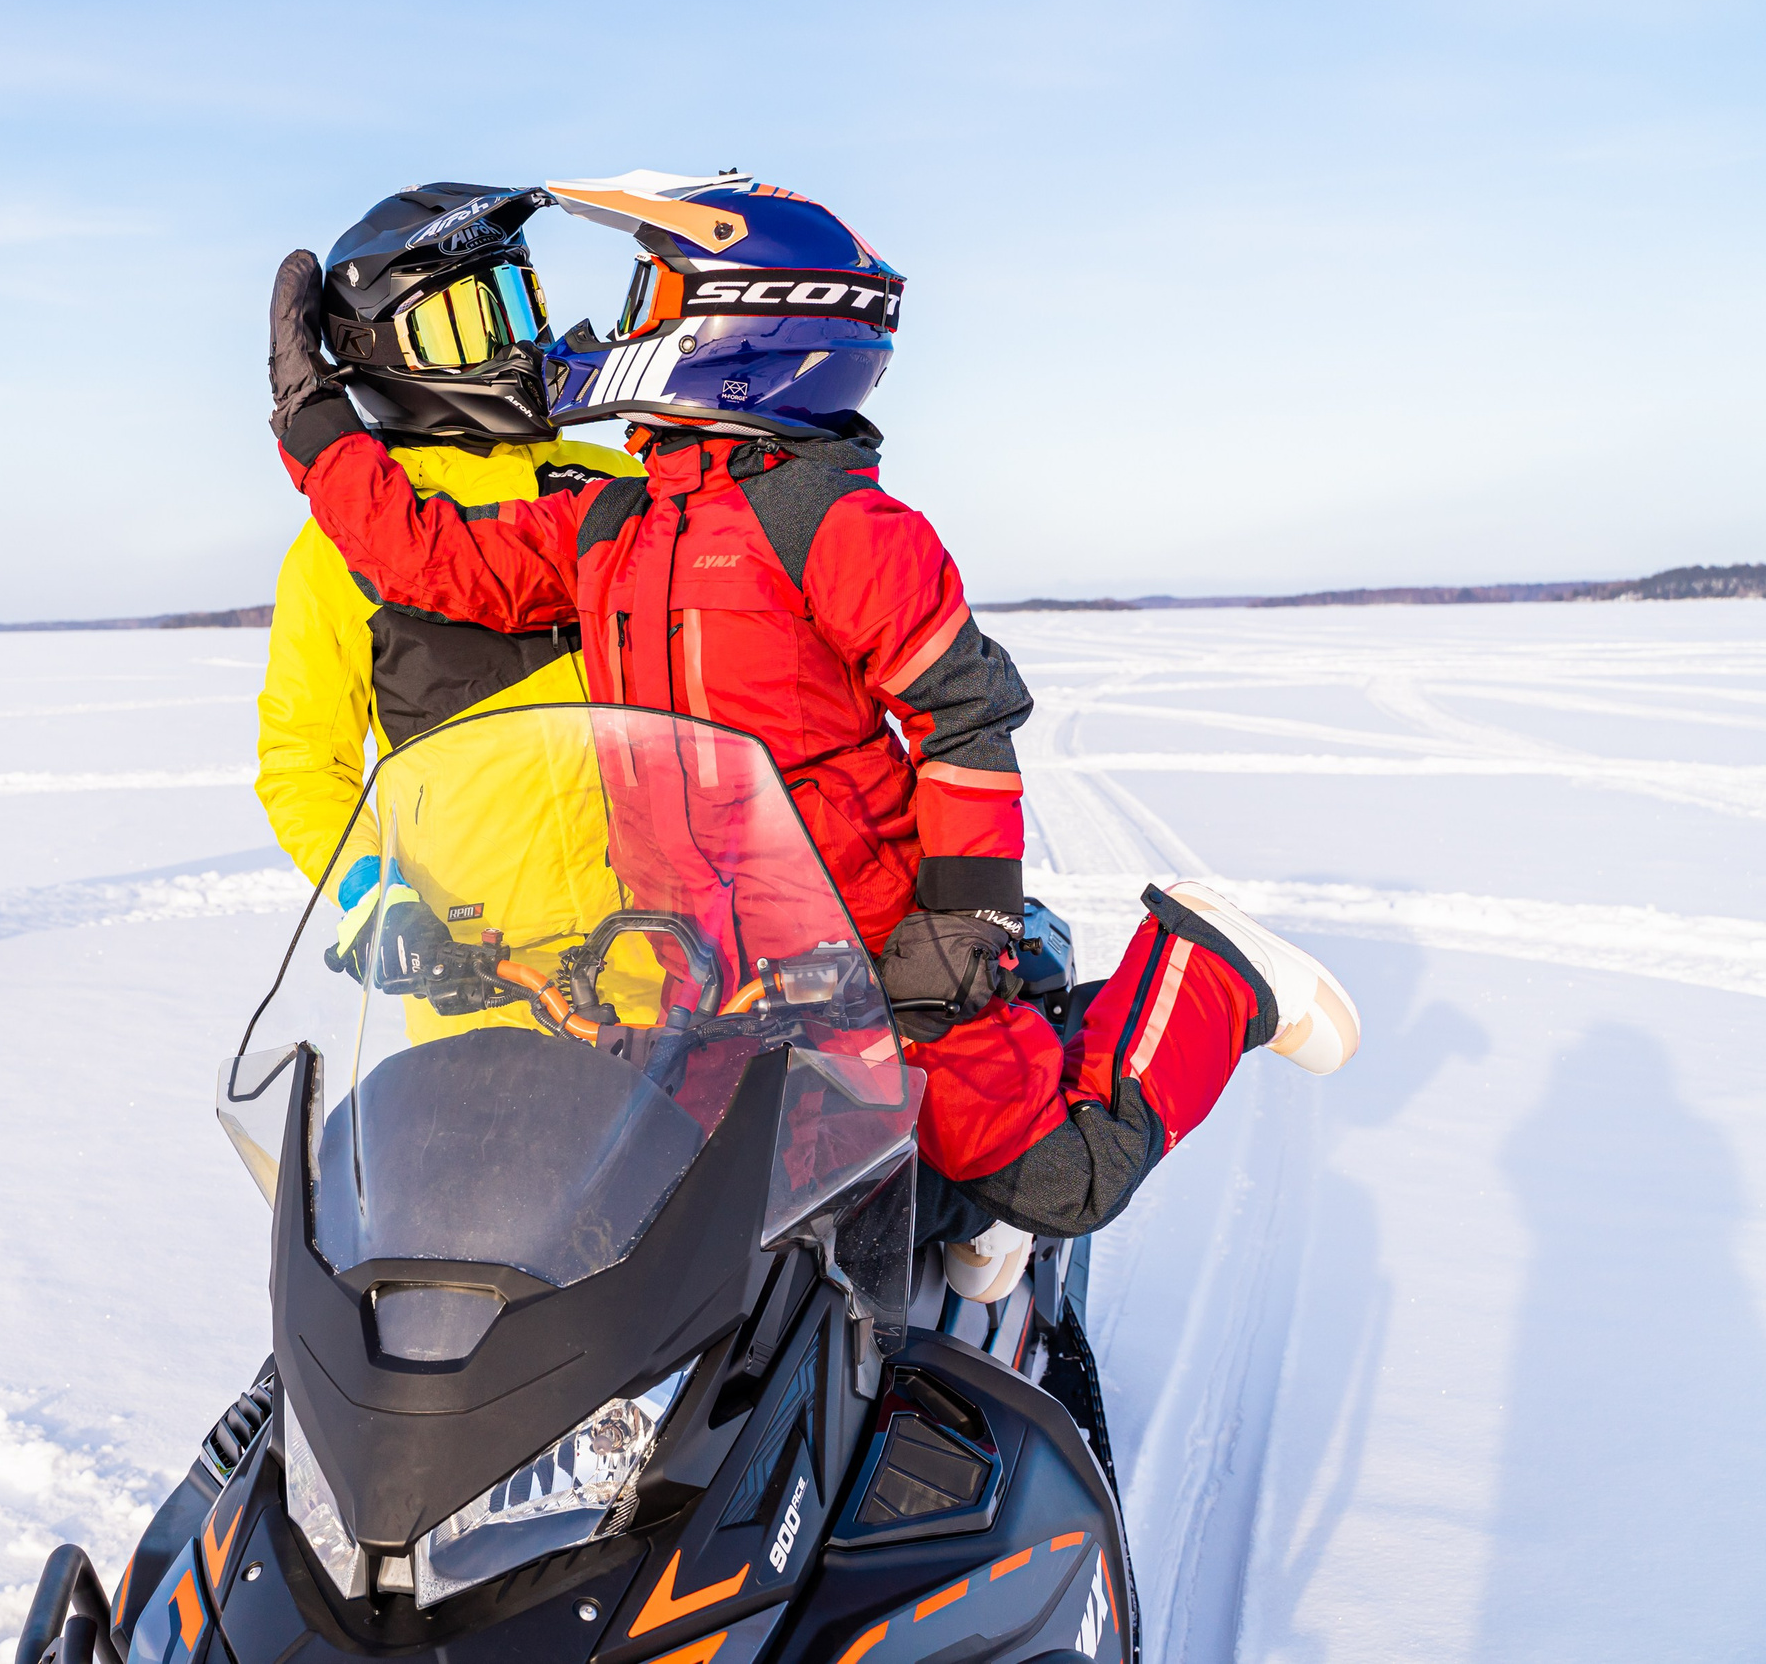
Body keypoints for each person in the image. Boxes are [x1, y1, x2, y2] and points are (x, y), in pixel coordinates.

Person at [266, 171, 1361, 1299]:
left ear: (737, 330)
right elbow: (430, 560)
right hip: (696, 962)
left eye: (652, 302)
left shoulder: (840, 525)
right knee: (701, 1201)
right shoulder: (618, 516)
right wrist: (315, 432)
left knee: (1058, 1178)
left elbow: (966, 718)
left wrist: (963, 918)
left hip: (875, 938)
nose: (615, 329)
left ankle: (1211, 976)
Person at [255, 182, 661, 1038]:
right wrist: (373, 893)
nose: (510, 342)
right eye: (468, 322)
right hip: (481, 977)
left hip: (674, 957)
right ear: (379, 350)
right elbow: (302, 761)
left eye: (518, 303)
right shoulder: (339, 546)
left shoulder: (616, 479)